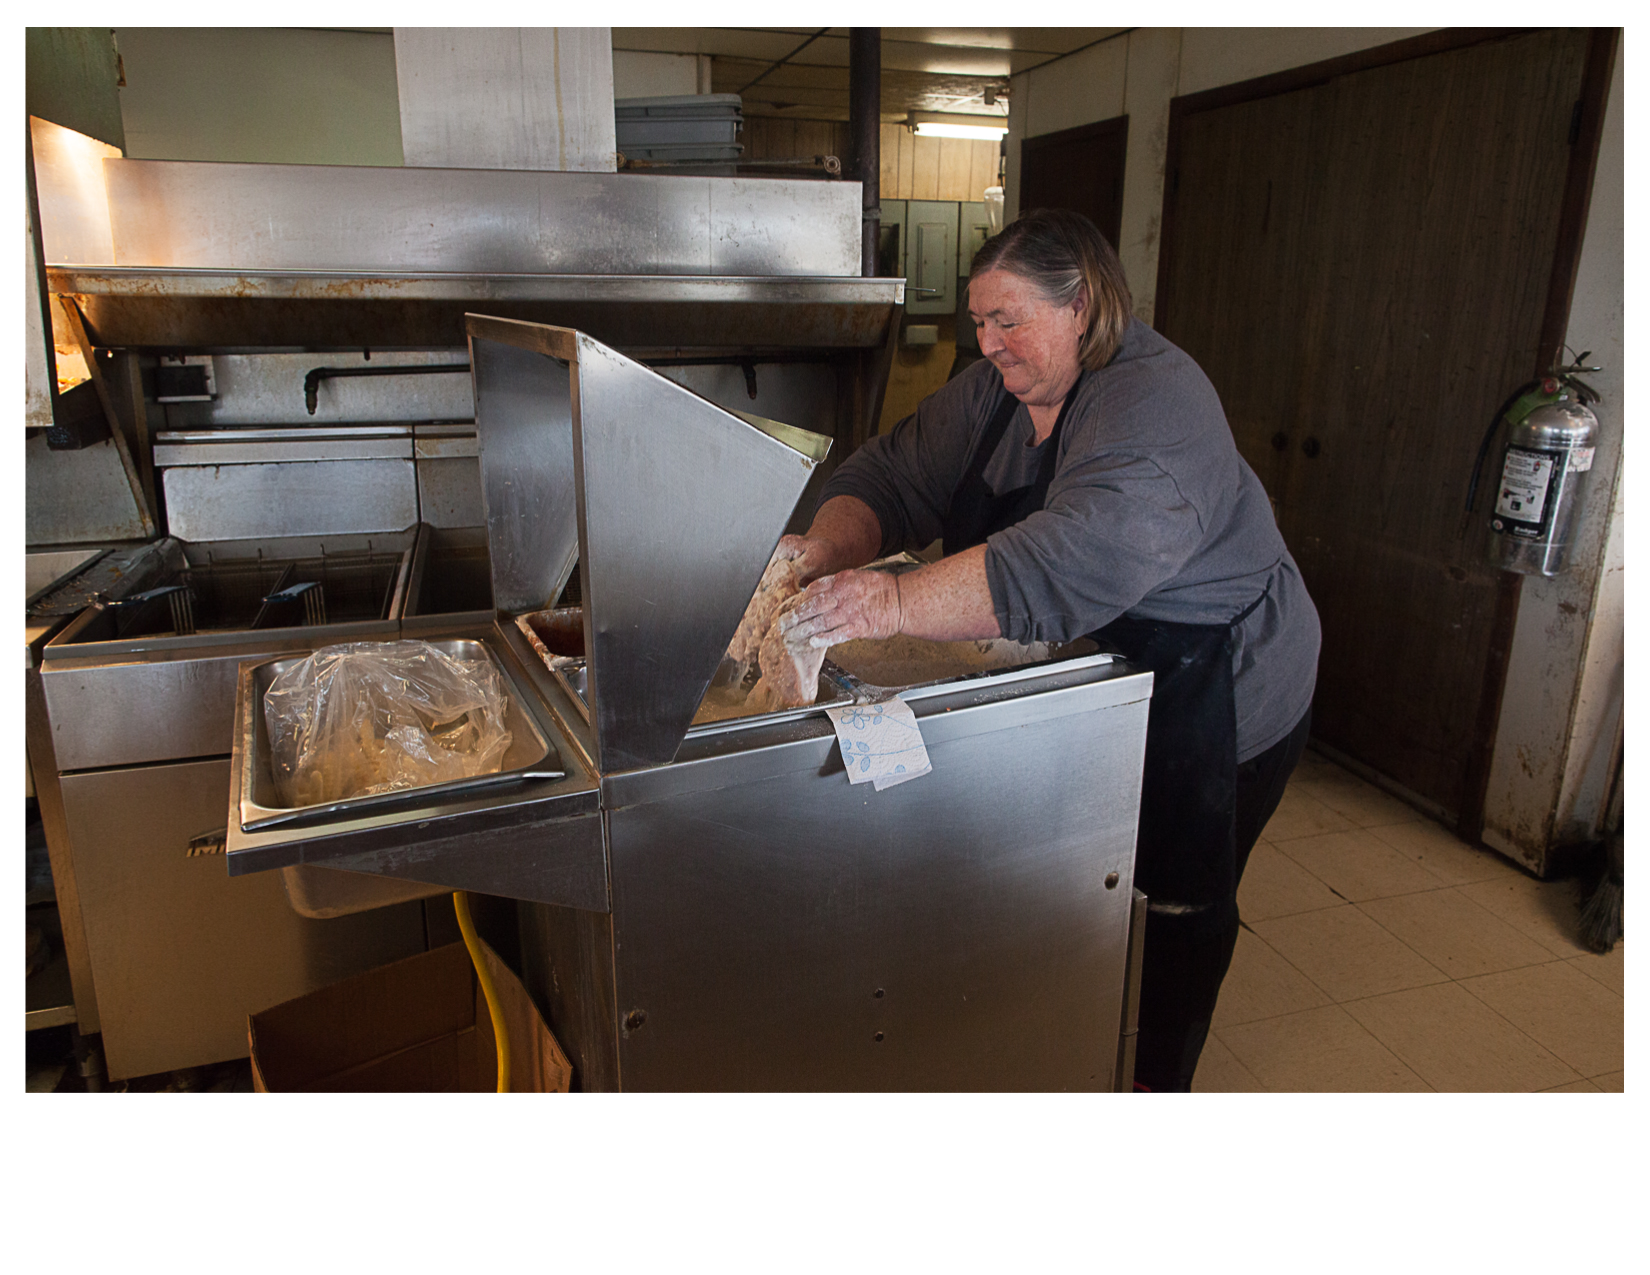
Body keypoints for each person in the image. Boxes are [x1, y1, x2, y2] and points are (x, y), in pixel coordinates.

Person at [773, 207, 1321, 1091]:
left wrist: (894, 598)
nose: (988, 342)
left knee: (1171, 902)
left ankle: (1149, 1083)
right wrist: (823, 551)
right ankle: (1061, 1033)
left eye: (1009, 318)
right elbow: (894, 472)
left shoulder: (1155, 404)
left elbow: (1065, 563)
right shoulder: (997, 390)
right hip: (1095, 664)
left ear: (1084, 307)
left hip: (1215, 681)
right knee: (1077, 884)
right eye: (979, 322)